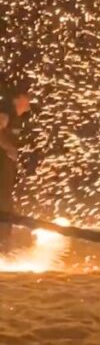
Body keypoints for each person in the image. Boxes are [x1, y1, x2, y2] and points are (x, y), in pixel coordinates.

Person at [0, 86, 30, 251]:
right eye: (27, 100)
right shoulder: (6, 110)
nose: (29, 105)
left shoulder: (15, 117)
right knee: (3, 207)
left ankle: (4, 246)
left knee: (6, 207)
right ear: (18, 98)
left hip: (6, 170)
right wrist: (9, 149)